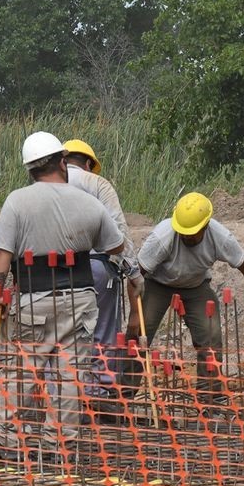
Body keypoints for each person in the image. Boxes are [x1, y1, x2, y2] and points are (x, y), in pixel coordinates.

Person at [0, 131, 125, 464]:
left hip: (34, 298)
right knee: (70, 374)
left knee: (23, 371)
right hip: (80, 298)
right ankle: (58, 446)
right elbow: (116, 244)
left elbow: (1, 253)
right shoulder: (88, 202)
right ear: (62, 162)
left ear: (30, 168)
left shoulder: (17, 201)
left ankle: (10, 442)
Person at [137, 192, 244, 404]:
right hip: (157, 284)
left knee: (211, 337)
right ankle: (122, 395)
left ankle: (209, 399)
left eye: (192, 234)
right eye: (183, 233)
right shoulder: (162, 237)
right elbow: (135, 275)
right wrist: (134, 314)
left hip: (195, 286)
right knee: (138, 335)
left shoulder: (220, 237)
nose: (187, 237)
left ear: (205, 226)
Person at [63, 139, 143, 345]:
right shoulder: (97, 183)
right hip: (95, 267)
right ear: (88, 164)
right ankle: (103, 366)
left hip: (52, 270)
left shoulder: (45, 185)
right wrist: (134, 273)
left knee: (62, 337)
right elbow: (118, 230)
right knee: (102, 336)